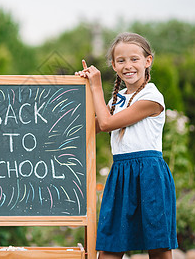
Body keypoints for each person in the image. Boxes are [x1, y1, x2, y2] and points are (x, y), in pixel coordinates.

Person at [76, 33, 177, 259]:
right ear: (113, 65)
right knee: (111, 246)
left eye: (134, 59)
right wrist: (77, 88)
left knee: (158, 249)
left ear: (147, 61)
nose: (128, 66)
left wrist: (95, 87)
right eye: (121, 61)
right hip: (121, 175)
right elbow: (91, 127)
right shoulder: (118, 98)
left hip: (149, 175)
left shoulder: (152, 98)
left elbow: (107, 122)